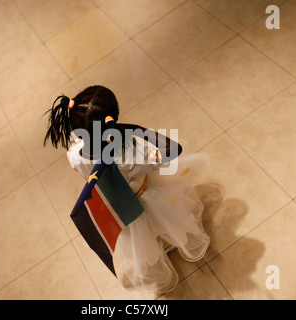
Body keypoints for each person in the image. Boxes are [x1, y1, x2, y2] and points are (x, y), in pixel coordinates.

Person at [44, 85, 210, 293]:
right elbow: (173, 149)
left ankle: (156, 250)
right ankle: (167, 241)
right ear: (111, 124)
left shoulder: (75, 153)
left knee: (138, 239)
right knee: (159, 222)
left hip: (118, 203)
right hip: (144, 196)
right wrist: (136, 129)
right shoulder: (127, 157)